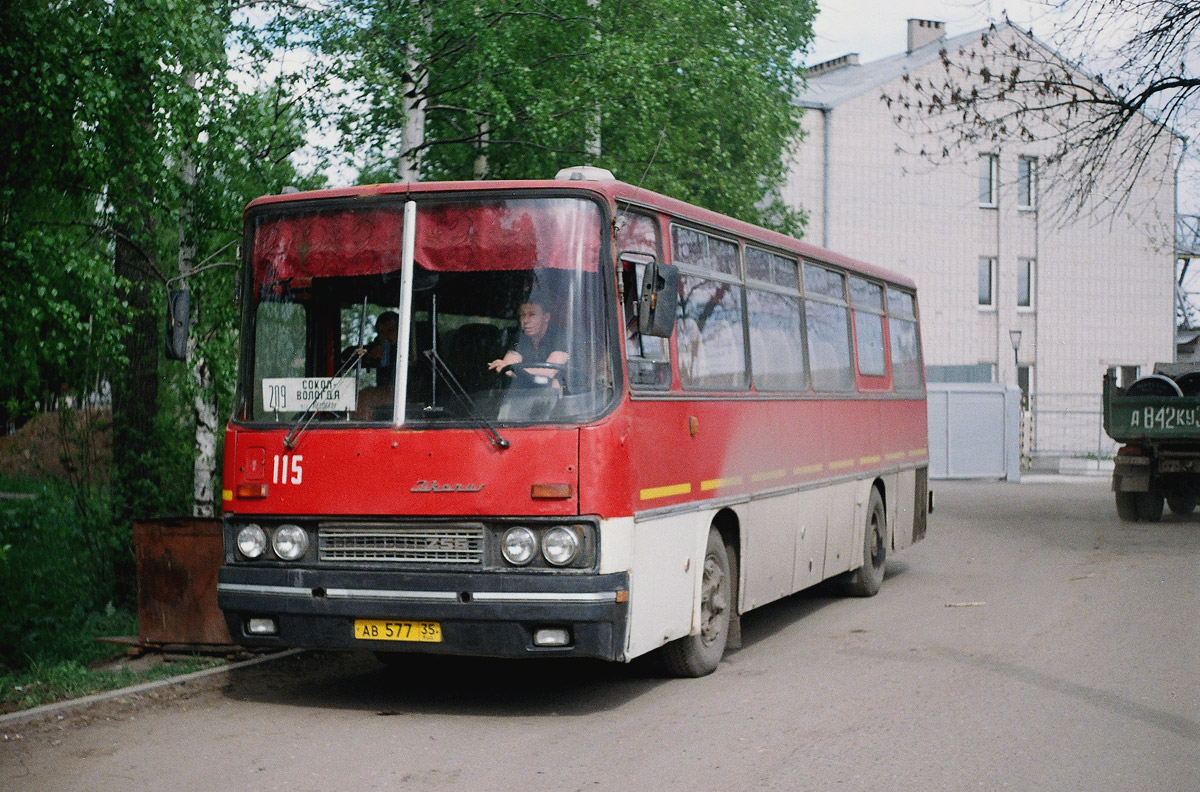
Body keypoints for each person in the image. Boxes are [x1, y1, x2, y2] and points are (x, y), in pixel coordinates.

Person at [487, 299, 569, 382]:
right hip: (528, 392)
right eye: (522, 315)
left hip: (563, 393)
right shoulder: (520, 337)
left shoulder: (561, 336)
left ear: (546, 317)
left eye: (532, 315)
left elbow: (549, 371)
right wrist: (508, 368)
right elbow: (507, 366)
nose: (525, 320)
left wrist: (514, 370)